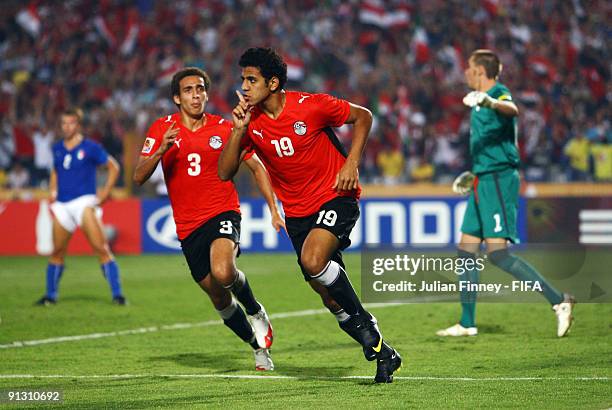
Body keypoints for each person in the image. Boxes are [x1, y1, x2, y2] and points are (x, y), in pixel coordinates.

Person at [218, 47, 402, 383]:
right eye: (242, 79)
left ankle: (366, 326)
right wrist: (238, 129)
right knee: (331, 298)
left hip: (336, 196)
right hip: (299, 216)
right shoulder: (251, 121)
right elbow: (225, 171)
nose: (244, 86)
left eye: (251, 79)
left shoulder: (311, 106)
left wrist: (351, 163)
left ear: (273, 83)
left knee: (313, 260)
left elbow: (364, 116)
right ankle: (383, 353)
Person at [134, 67, 281, 371]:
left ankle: (255, 310)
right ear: (177, 97)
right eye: (188, 90)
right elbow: (138, 176)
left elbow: (256, 167)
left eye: (200, 89)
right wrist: (161, 149)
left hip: (222, 211)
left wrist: (274, 208)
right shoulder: (162, 128)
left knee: (224, 271)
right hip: (188, 227)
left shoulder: (223, 128)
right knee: (218, 297)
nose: (196, 95)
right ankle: (256, 346)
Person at [437, 49, 575, 338]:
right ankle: (467, 322)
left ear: (479, 71)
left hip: (499, 180)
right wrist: (475, 172)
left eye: (469, 68)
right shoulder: (475, 102)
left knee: (499, 254)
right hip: (483, 179)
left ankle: (559, 300)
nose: (464, 73)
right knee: (466, 251)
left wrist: (489, 101)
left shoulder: (498, 93)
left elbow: (512, 109)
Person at [36, 108, 126, 306]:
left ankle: (118, 295)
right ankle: (50, 296)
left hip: (84, 203)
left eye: (71, 123)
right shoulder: (57, 148)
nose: (67, 127)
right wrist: (52, 189)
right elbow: (55, 170)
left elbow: (114, 167)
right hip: (62, 205)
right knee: (57, 252)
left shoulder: (90, 147)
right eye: (64, 123)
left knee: (101, 248)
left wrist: (104, 193)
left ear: (78, 125)